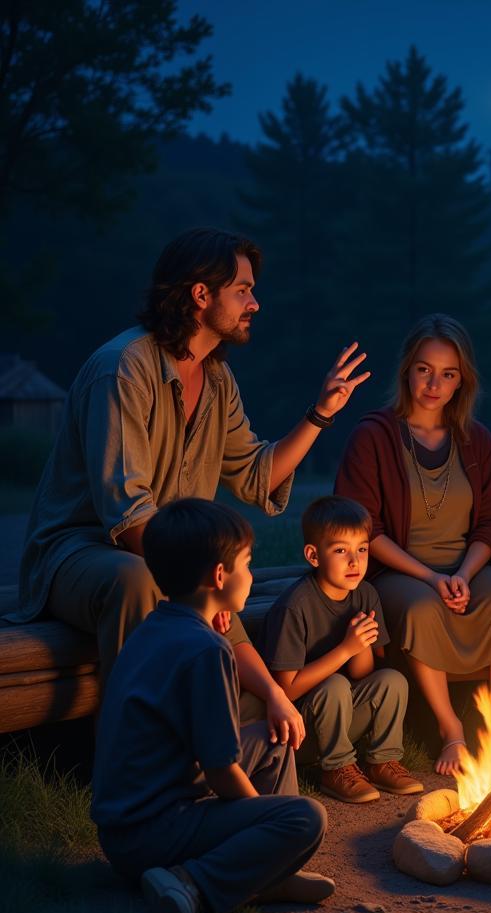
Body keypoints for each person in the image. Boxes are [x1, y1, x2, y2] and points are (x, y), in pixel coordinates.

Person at [12, 227, 370, 750]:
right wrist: (201, 579)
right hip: (80, 552)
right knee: (139, 580)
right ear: (201, 295)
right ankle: (132, 757)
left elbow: (257, 476)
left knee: (215, 583)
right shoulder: (123, 369)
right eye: (242, 290)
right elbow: (129, 518)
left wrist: (321, 414)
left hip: (172, 556)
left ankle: (225, 735)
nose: (255, 301)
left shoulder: (217, 381)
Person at [91, 499, 334, 913]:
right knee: (305, 817)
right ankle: (191, 886)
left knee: (276, 738)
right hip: (153, 835)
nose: (252, 574)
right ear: (219, 577)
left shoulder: (156, 627)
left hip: (124, 828)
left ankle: (267, 876)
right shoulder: (207, 650)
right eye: (247, 563)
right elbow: (221, 771)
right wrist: (266, 822)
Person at [335, 313, 491, 775]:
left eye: (448, 374)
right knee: (423, 610)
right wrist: (431, 577)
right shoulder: (374, 437)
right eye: (425, 370)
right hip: (398, 570)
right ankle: (452, 731)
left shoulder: (475, 439)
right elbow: (362, 528)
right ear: (408, 370)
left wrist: (464, 575)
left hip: (465, 565)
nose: (434, 383)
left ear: (460, 382)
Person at [259, 496, 424, 803]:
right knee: (334, 683)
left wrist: (359, 645)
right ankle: (335, 769)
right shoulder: (295, 607)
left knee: (391, 680)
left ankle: (381, 761)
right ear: (313, 555)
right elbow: (285, 691)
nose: (355, 562)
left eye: (362, 549)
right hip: (299, 731)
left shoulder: (365, 594)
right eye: (340, 550)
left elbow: (364, 674)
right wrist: (346, 649)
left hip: (342, 716)